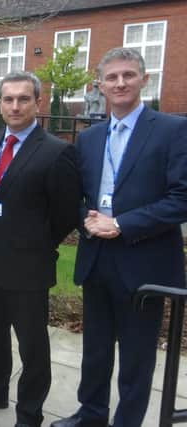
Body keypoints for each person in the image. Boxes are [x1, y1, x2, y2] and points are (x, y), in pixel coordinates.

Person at [51, 48, 187, 427]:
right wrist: (87, 220)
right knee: (94, 350)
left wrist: (122, 223)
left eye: (128, 75)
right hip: (97, 259)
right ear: (100, 86)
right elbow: (75, 196)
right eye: (111, 78)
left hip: (145, 263)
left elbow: (182, 199)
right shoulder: (90, 138)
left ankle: (127, 421)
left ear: (144, 80)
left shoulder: (173, 130)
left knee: (136, 357)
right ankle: (91, 413)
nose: (120, 83)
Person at [0, 71, 80, 427]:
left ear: (38, 102)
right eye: (8, 99)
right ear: (0, 102)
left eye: (23, 99)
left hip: (29, 267)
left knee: (32, 347)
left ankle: (29, 413)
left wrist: (37, 243)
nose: (15, 106)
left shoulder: (58, 151)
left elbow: (67, 212)